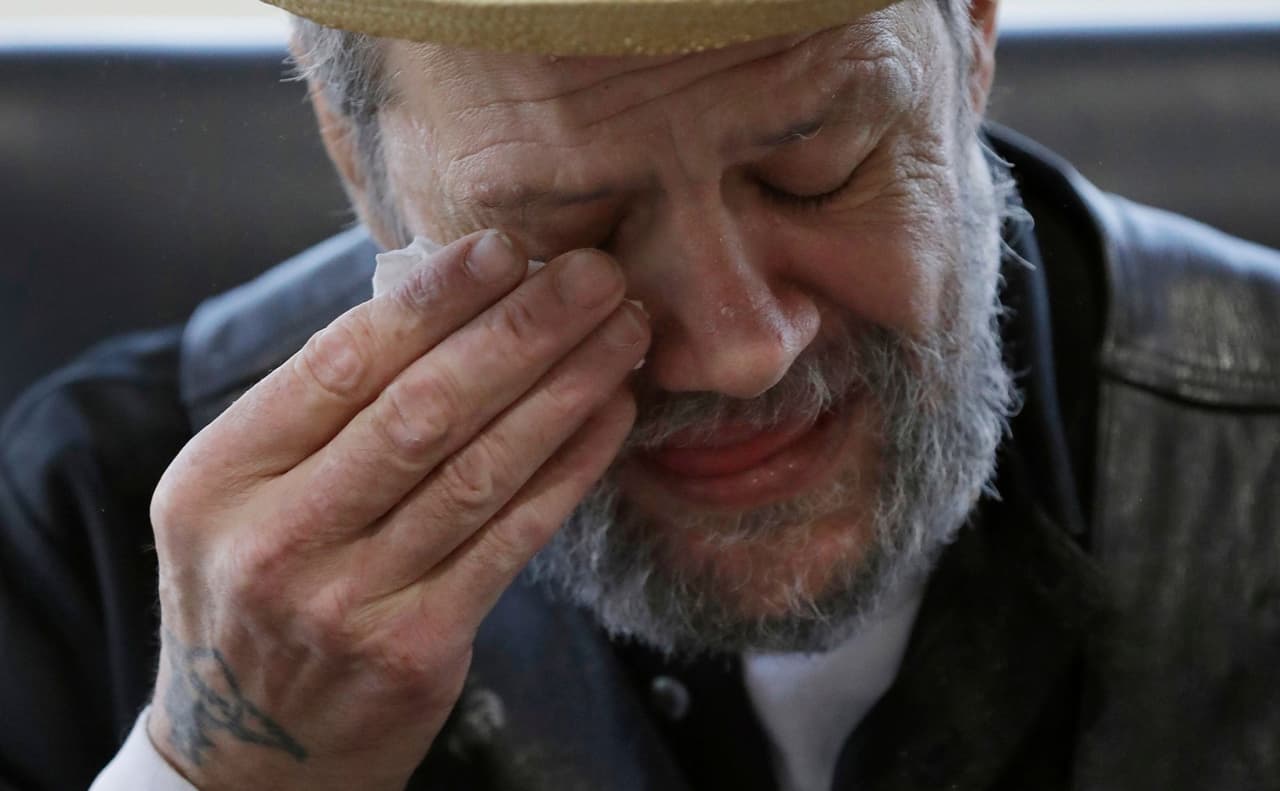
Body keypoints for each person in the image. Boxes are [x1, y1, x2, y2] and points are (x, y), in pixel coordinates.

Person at [1, 0, 1277, 788]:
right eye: (575, 225)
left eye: (815, 173)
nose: (739, 347)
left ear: (974, 36)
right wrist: (214, 775)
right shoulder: (97, 523)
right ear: (358, 160)